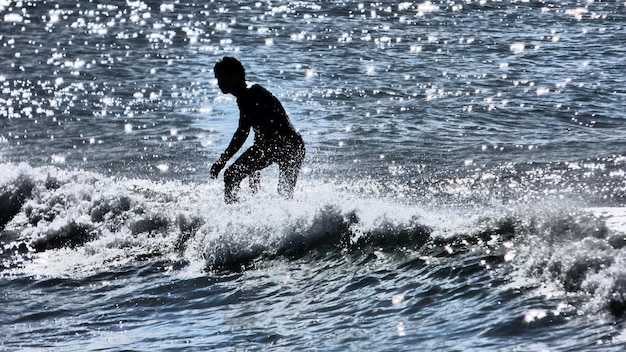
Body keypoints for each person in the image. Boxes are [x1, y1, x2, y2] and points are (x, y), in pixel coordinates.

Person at [210, 57, 305, 203]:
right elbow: (261, 127)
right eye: (217, 79)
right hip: (288, 145)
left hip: (287, 145)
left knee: (231, 175)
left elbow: (243, 133)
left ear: (235, 75)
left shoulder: (250, 94)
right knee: (284, 195)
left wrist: (223, 161)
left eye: (222, 78)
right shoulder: (245, 94)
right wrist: (254, 166)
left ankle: (233, 217)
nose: (219, 83)